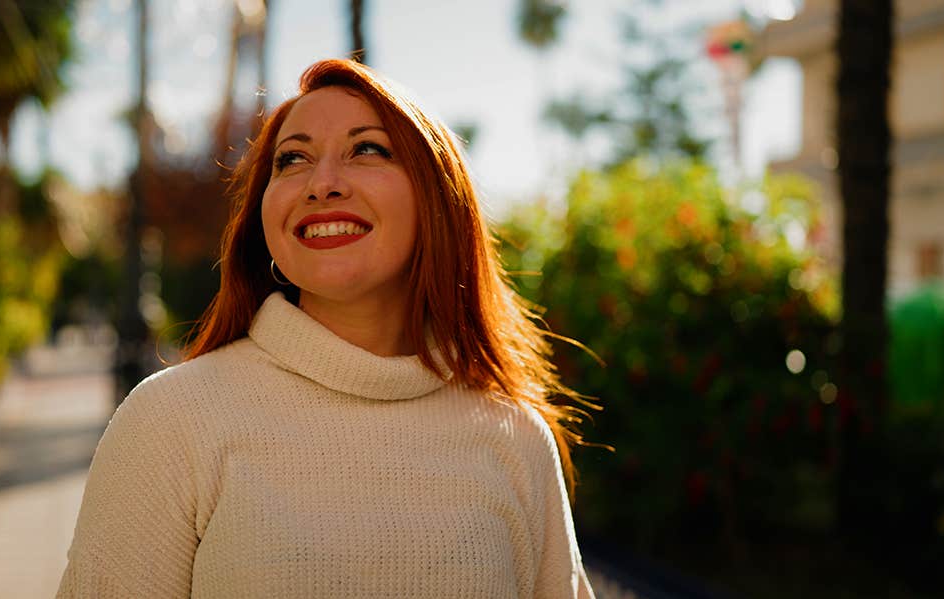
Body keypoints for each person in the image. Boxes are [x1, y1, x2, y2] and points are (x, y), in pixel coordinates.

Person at [57, 58, 597, 598]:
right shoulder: (172, 420)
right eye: (292, 159)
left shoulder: (516, 436)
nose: (322, 184)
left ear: (437, 199)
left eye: (367, 149)